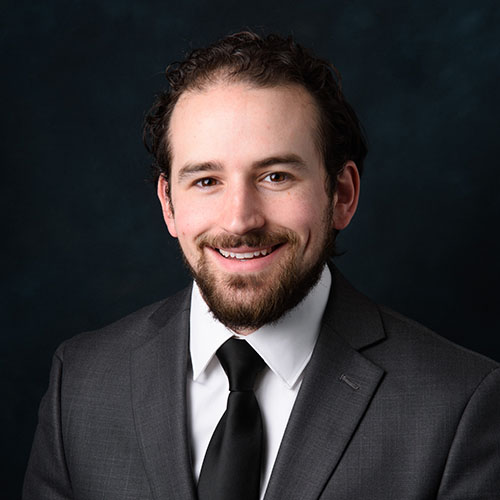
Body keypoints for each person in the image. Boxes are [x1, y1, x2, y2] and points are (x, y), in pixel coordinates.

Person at [23, 31, 500, 500]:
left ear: (342, 195)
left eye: (276, 176)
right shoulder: (80, 381)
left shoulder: (459, 405)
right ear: (169, 205)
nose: (239, 220)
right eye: (206, 180)